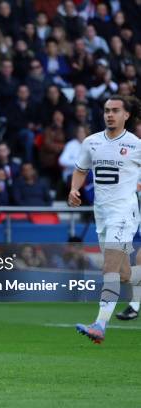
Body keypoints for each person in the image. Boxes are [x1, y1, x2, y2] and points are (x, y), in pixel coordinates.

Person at [69, 96, 141, 344]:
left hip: (124, 213)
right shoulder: (91, 142)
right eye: (107, 110)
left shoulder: (135, 145)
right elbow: (80, 170)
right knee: (122, 274)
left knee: (108, 268)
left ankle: (100, 324)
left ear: (126, 115)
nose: (110, 114)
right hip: (101, 213)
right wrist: (73, 189)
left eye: (115, 111)